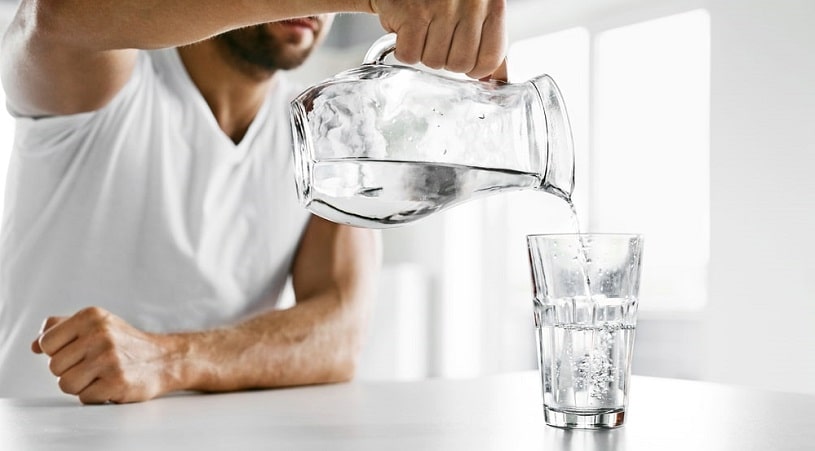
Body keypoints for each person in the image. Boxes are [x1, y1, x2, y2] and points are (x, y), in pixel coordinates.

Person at [0, 0, 507, 403]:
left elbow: (340, 331)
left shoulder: (327, 128)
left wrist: (167, 359)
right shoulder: (109, 77)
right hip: (40, 435)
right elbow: (53, 17)